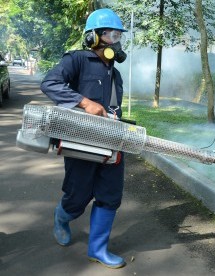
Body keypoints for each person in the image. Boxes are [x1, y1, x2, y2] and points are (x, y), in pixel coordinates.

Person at [40, 8, 128, 269]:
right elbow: (50, 83)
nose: (116, 41)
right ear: (93, 37)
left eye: (119, 35)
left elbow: (114, 108)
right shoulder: (76, 60)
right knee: (78, 195)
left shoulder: (116, 73)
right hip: (80, 140)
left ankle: (98, 249)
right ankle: (62, 216)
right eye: (111, 34)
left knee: (110, 195)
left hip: (111, 140)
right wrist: (83, 101)